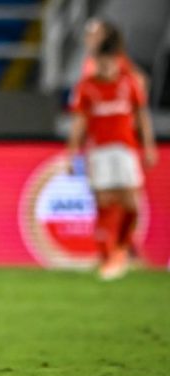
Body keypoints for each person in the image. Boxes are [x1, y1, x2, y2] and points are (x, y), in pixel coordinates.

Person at [67, 30, 158, 280]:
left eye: (110, 61)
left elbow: (142, 115)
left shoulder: (129, 83)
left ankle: (121, 248)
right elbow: (79, 123)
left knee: (132, 204)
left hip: (126, 150)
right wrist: (72, 153)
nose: (106, 67)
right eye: (101, 61)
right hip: (99, 152)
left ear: (118, 59)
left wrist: (148, 147)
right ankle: (107, 257)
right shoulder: (86, 87)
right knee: (103, 202)